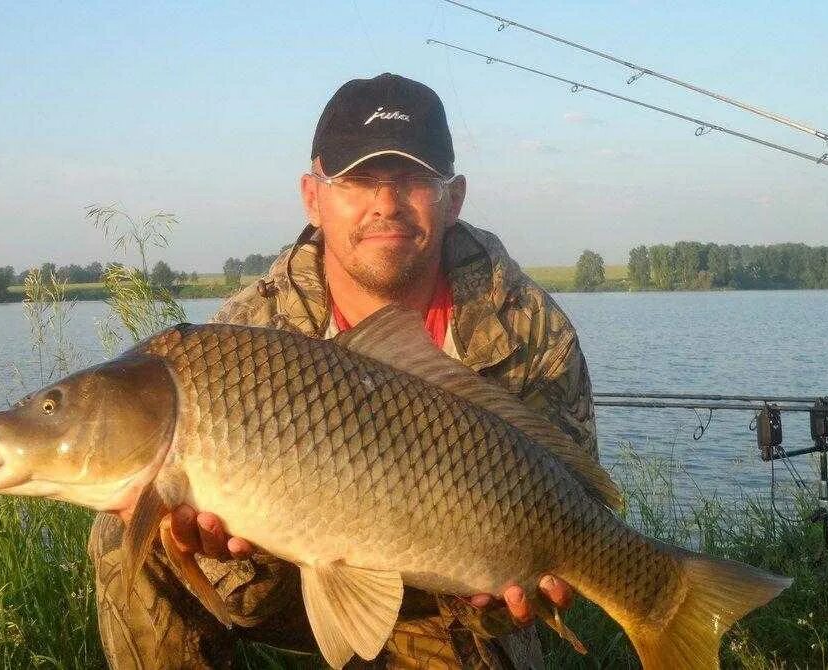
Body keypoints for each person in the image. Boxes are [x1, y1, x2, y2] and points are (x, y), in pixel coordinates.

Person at [88, 73, 599, 670]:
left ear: (453, 198)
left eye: (412, 180)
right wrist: (195, 542)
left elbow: (582, 501)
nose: (385, 204)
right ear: (313, 195)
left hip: (447, 591)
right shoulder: (255, 327)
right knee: (128, 528)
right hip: (280, 569)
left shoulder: (528, 328)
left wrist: (517, 597)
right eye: (357, 180)